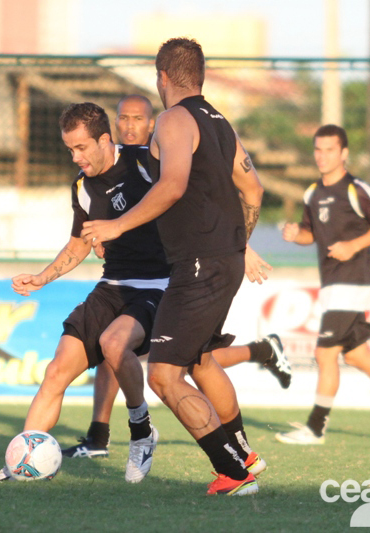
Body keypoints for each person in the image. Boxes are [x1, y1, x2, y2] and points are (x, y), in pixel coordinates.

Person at [81, 37, 267, 496]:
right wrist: (239, 245)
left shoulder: (173, 120)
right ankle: (244, 455)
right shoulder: (222, 124)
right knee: (201, 361)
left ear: (161, 77)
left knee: (164, 375)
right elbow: (255, 190)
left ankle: (235, 474)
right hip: (225, 261)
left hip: (199, 266)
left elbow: (173, 185)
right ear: (198, 75)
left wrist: (115, 227)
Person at [64, 94, 291, 460]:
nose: (130, 126)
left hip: (177, 274)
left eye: (138, 119)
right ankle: (101, 434)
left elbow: (193, 200)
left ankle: (233, 463)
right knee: (146, 353)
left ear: (152, 123)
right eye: (123, 119)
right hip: (151, 275)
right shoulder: (101, 173)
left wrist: (239, 247)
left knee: (177, 366)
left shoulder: (157, 155)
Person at [0, 102, 164, 483]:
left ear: (105, 140)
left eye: (82, 148)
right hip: (112, 285)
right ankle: (21, 461)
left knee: (116, 344)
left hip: (159, 285)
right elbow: (77, 246)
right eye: (70, 149)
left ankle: (141, 432)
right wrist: (42, 277)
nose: (76, 157)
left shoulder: (146, 163)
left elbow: (185, 200)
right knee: (56, 371)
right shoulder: (82, 187)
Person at [275, 124, 370, 446]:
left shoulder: (356, 189)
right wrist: (296, 235)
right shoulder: (312, 193)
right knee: (358, 355)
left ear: (344, 153)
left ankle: (315, 429)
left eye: (329, 150)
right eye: (318, 150)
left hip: (354, 277)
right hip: (332, 282)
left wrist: (353, 245)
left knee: (324, 353)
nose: (322, 156)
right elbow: (311, 234)